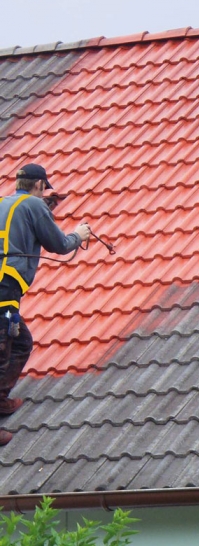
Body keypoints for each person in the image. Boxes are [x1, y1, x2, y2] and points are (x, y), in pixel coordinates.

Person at [0, 164, 91, 445]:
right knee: (3, 348)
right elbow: (60, 245)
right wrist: (80, 235)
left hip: (5, 288)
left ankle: (1, 398)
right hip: (5, 286)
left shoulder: (5, 203)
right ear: (39, 185)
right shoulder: (34, 206)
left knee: (21, 342)